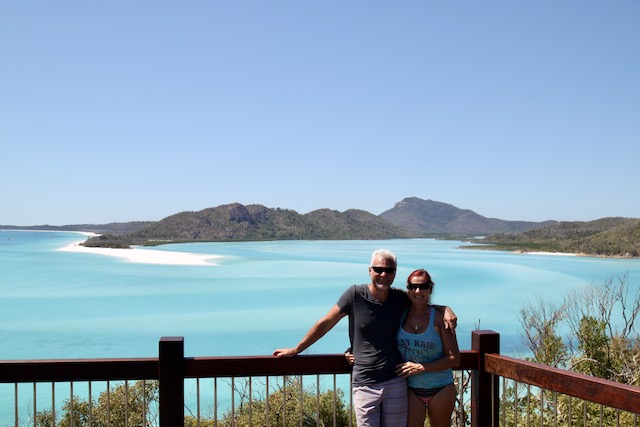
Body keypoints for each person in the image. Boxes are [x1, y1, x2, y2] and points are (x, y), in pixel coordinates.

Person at [273, 249, 457, 427]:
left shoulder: (400, 298)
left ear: (394, 274)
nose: (383, 274)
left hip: (396, 382)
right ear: (370, 271)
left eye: (389, 270)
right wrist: (297, 349)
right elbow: (326, 322)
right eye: (378, 269)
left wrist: (445, 309)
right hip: (365, 383)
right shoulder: (354, 295)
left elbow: (422, 302)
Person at [395, 269, 460, 427]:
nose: (418, 291)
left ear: (430, 289)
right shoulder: (400, 315)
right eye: (413, 286)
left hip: (440, 388)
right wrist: (353, 349)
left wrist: (422, 367)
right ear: (408, 289)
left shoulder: (439, 319)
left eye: (423, 287)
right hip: (411, 389)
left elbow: (454, 359)